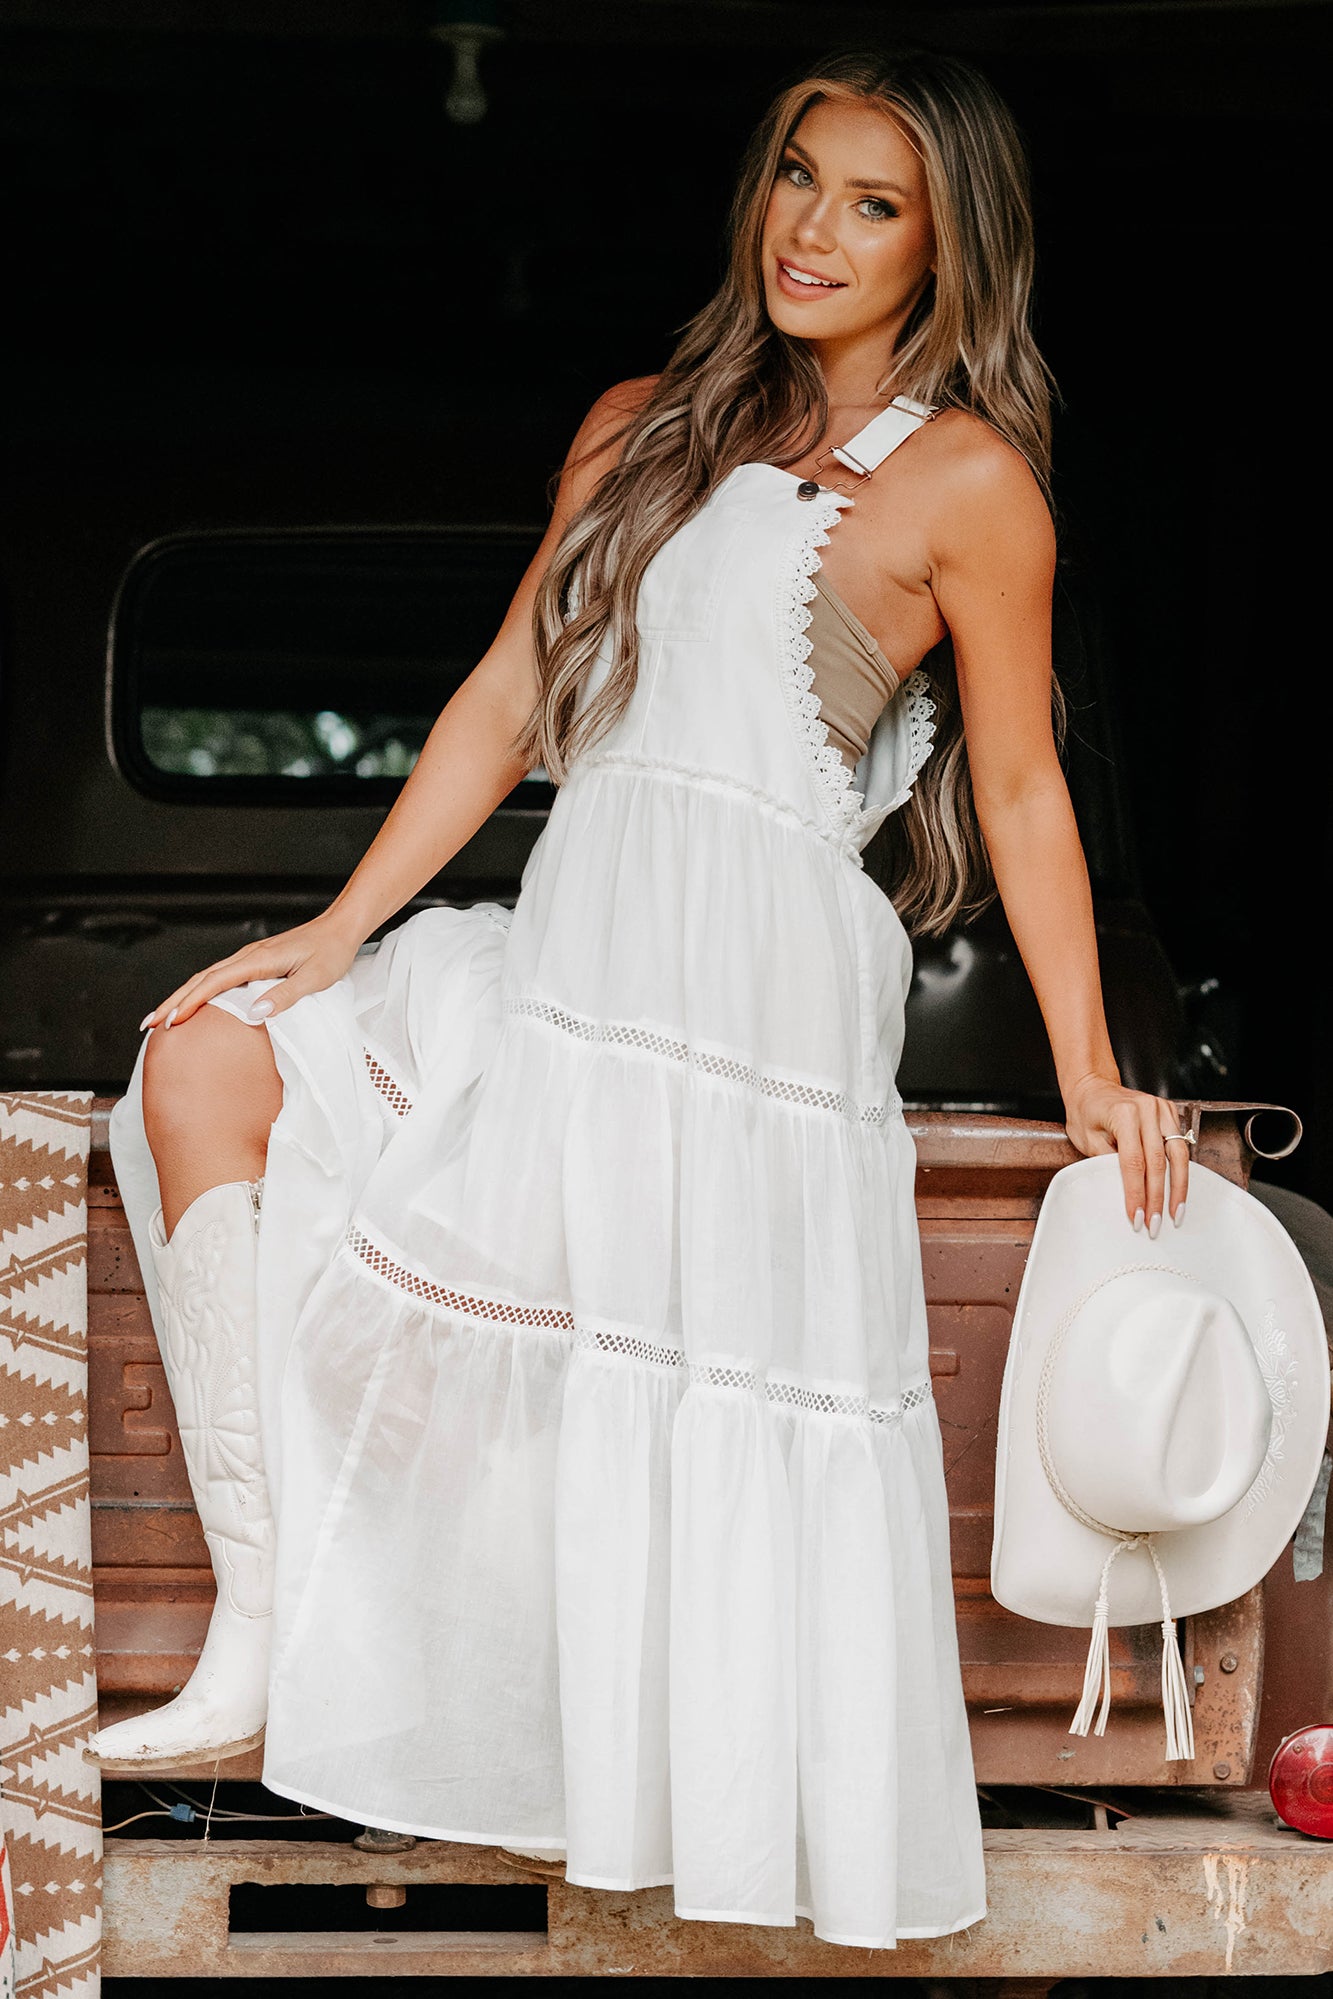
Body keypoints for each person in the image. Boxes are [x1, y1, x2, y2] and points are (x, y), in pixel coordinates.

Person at [85, 48, 1194, 1949]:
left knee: (662, 1388)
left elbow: (1019, 788)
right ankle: (259, 1636)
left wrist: (1092, 1069)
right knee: (203, 1061)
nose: (811, 229)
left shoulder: (967, 484)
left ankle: (641, 1768)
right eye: (796, 175)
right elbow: (511, 692)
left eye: (872, 203)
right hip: (571, 954)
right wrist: (338, 929)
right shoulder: (638, 428)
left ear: (945, 248)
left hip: (755, 1000)